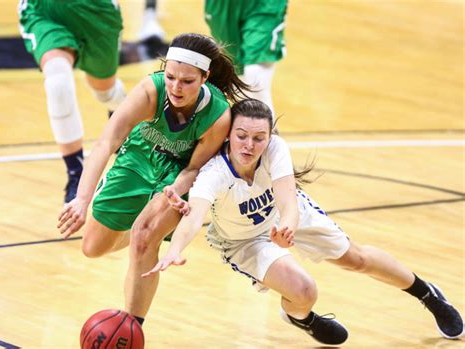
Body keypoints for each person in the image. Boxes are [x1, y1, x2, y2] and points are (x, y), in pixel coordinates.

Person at [145, 99, 464, 344]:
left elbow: (287, 199)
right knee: (304, 290)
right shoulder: (214, 173)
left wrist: (287, 225)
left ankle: (428, 295)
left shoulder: (275, 150)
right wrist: (176, 249)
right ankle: (302, 318)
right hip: (243, 241)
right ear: (228, 135)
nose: (250, 145)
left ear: (269, 136)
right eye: (242, 136)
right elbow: (195, 215)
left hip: (287, 215)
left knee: (357, 259)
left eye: (259, 138)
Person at [58, 33, 252, 326]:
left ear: (205, 77)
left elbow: (193, 169)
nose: (176, 87)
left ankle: (132, 328)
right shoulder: (151, 90)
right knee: (93, 247)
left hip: (179, 172)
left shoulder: (218, 115)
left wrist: (176, 189)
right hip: (138, 156)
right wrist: (82, 199)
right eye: (171, 77)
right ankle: (138, 228)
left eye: (187, 81)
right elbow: (107, 141)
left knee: (144, 237)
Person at [18, 0, 127, 203]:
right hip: (46, 10)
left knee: (106, 92)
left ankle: (120, 109)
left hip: (97, 11)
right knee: (58, 84)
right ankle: (76, 174)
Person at [204, 0, 287, 114]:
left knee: (255, 74)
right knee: (232, 75)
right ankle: (249, 128)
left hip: (263, 4)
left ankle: (269, 129)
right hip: (223, 4)